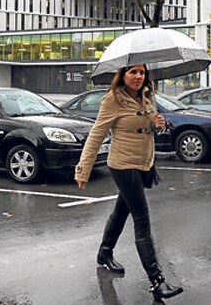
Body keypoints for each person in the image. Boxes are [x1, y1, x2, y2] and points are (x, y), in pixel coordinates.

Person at [74, 64, 184, 302]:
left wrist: (159, 124)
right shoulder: (112, 99)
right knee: (141, 219)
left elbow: (153, 129)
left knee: (121, 210)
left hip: (144, 162)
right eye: (133, 72)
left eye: (142, 73)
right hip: (123, 164)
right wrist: (84, 169)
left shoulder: (147, 96)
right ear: (122, 75)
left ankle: (104, 252)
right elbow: (96, 134)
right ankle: (157, 281)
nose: (138, 76)